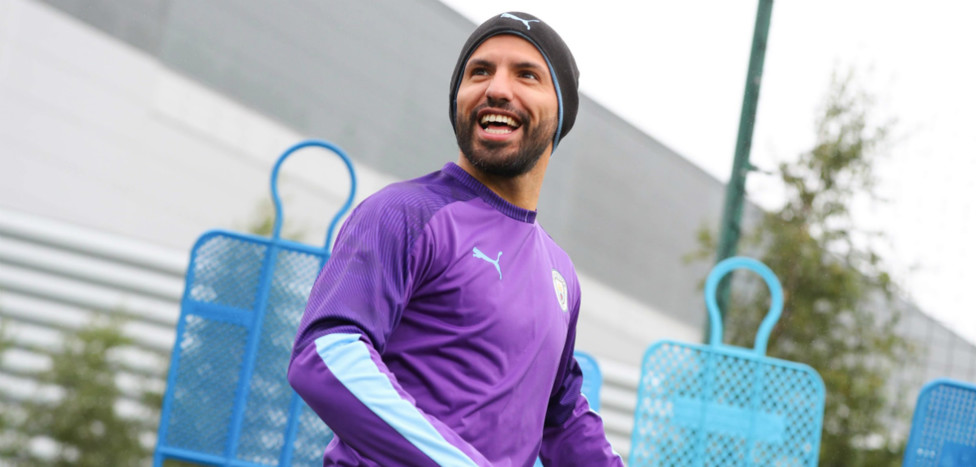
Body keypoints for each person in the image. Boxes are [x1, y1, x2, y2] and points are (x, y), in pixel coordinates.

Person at [288, 11, 623, 466]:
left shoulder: (560, 272)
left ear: (561, 112)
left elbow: (561, 418)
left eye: (527, 74)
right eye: (479, 71)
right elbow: (325, 354)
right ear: (458, 99)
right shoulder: (403, 213)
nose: (498, 88)